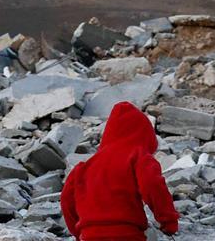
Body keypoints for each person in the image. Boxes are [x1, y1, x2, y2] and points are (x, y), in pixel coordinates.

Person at [61, 102, 179, 241]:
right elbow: (152, 184)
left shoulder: (84, 166)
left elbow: (66, 200)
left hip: (90, 235)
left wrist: (78, 232)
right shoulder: (138, 155)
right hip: (127, 234)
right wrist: (168, 222)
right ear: (145, 135)